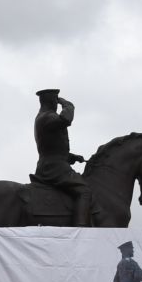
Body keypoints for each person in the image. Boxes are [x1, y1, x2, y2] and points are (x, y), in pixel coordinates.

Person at [32, 88, 95, 228]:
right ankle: (81, 228)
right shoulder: (46, 117)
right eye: (56, 99)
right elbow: (66, 119)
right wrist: (68, 104)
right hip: (53, 167)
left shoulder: (44, 117)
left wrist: (71, 157)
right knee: (84, 191)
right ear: (52, 101)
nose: (57, 102)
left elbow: (51, 148)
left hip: (53, 162)